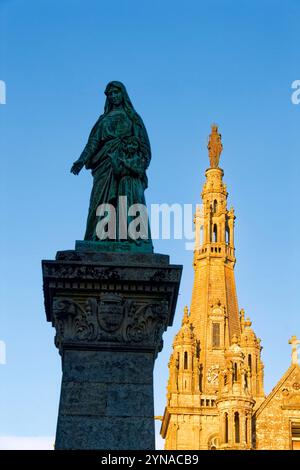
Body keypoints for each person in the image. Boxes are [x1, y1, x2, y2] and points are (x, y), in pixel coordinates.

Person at [71, 81, 152, 244]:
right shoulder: (103, 120)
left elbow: (144, 146)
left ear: (123, 94)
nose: (114, 96)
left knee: (125, 201)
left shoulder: (133, 118)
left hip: (124, 166)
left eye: (116, 92)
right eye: (111, 94)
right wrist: (81, 160)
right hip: (105, 163)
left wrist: (136, 164)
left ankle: (126, 238)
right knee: (98, 202)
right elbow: (92, 143)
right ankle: (98, 236)